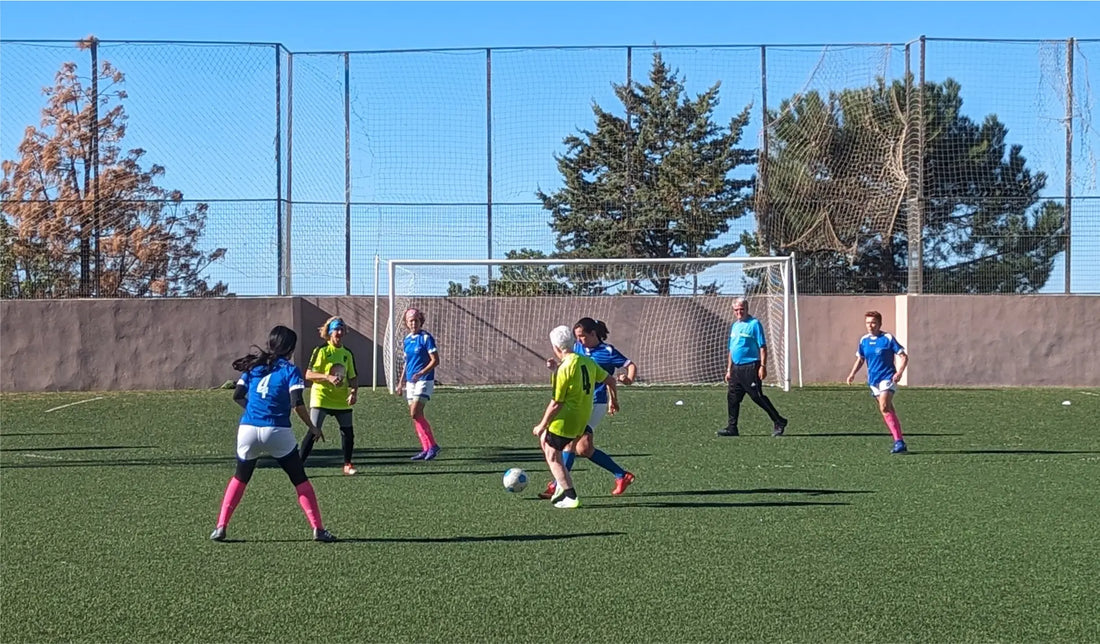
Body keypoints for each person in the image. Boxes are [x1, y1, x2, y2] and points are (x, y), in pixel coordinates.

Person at [210, 325, 336, 543]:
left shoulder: (254, 367)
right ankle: (318, 529)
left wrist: (255, 410)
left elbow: (238, 396)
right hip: (277, 430)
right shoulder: (290, 370)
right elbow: (297, 404)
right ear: (290, 348)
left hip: (248, 429)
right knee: (300, 480)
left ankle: (221, 527)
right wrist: (312, 427)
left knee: (240, 478)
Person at [537, 317, 635, 500]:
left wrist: (615, 397)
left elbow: (625, 369)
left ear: (593, 333)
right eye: (577, 337)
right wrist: (555, 369)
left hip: (595, 403)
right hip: (580, 403)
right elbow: (571, 373)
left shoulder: (607, 351)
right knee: (584, 449)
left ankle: (559, 486)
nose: (579, 340)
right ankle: (622, 475)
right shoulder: (578, 351)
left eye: (582, 336)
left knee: (571, 445)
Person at [719, 297, 789, 437]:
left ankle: (779, 421)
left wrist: (762, 366)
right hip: (736, 369)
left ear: (747, 309)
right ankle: (732, 427)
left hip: (751, 366)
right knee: (732, 397)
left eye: (741, 309)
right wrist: (729, 370)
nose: (739, 312)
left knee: (756, 396)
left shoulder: (754, 324)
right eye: (736, 310)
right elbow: (731, 350)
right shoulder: (735, 326)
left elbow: (762, 347)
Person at [300, 316, 360, 475]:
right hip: (321, 397)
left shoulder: (347, 353)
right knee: (314, 430)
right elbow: (308, 374)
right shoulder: (321, 351)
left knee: (348, 433)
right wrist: (328, 377)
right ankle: (298, 465)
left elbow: (352, 377)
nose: (339, 333)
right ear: (330, 332)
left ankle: (347, 464)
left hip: (341, 399)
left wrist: (354, 392)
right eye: (336, 330)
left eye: (341, 329)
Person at [846, 310, 910, 454]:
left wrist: (899, 372)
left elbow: (904, 356)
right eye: (868, 323)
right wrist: (852, 374)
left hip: (887, 377)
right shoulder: (864, 340)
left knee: (884, 406)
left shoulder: (887, 338)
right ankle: (899, 441)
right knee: (888, 410)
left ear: (880, 323)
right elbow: (861, 359)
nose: (870, 325)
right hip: (873, 380)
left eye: (873, 322)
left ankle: (899, 442)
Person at [395, 307, 440, 460]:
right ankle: (426, 447)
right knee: (416, 416)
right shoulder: (407, 340)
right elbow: (407, 362)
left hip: (424, 380)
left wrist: (422, 372)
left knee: (415, 412)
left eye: (416, 320)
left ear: (420, 321)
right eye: (410, 321)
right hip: (410, 382)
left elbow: (435, 360)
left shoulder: (426, 338)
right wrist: (400, 383)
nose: (413, 323)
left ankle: (433, 445)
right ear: (406, 323)